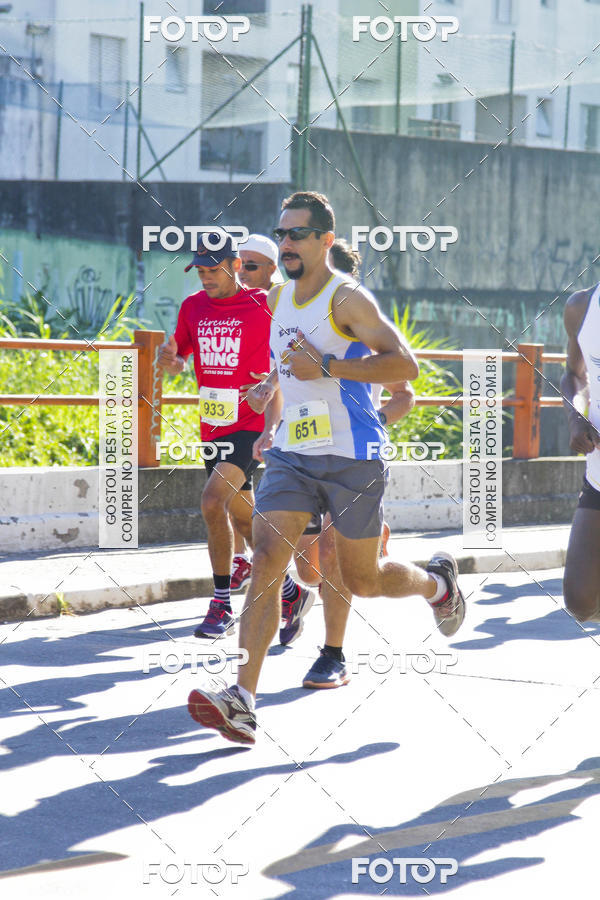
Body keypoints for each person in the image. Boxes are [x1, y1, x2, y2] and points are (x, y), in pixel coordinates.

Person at [188, 192, 465, 745]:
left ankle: (437, 586)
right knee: (268, 557)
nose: (285, 243)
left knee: (363, 578)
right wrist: (271, 384)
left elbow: (405, 365)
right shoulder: (279, 299)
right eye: (281, 233)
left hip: (352, 457)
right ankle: (242, 699)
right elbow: (289, 363)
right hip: (293, 452)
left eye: (297, 235)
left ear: (324, 241)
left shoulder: (347, 299)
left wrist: (332, 365)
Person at [157, 231, 311, 641]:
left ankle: (221, 603)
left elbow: (296, 351)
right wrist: (168, 359)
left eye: (214, 270)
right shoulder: (193, 307)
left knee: (212, 501)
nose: (206, 278)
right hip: (212, 424)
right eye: (201, 270)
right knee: (245, 520)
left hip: (249, 423)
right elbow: (179, 362)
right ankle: (292, 593)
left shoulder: (265, 304)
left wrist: (272, 398)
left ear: (235, 266)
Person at [229, 234, 286, 591]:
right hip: (236, 414)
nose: (242, 272)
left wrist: (272, 425)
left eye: (250, 266)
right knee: (234, 490)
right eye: (238, 265)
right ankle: (244, 561)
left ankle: (275, 572)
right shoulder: (235, 302)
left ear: (271, 269)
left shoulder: (280, 304)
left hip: (277, 413)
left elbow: (281, 367)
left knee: (233, 490)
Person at [560, 283, 600, 622]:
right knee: (580, 600)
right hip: (599, 474)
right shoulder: (582, 306)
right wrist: (576, 418)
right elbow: (574, 375)